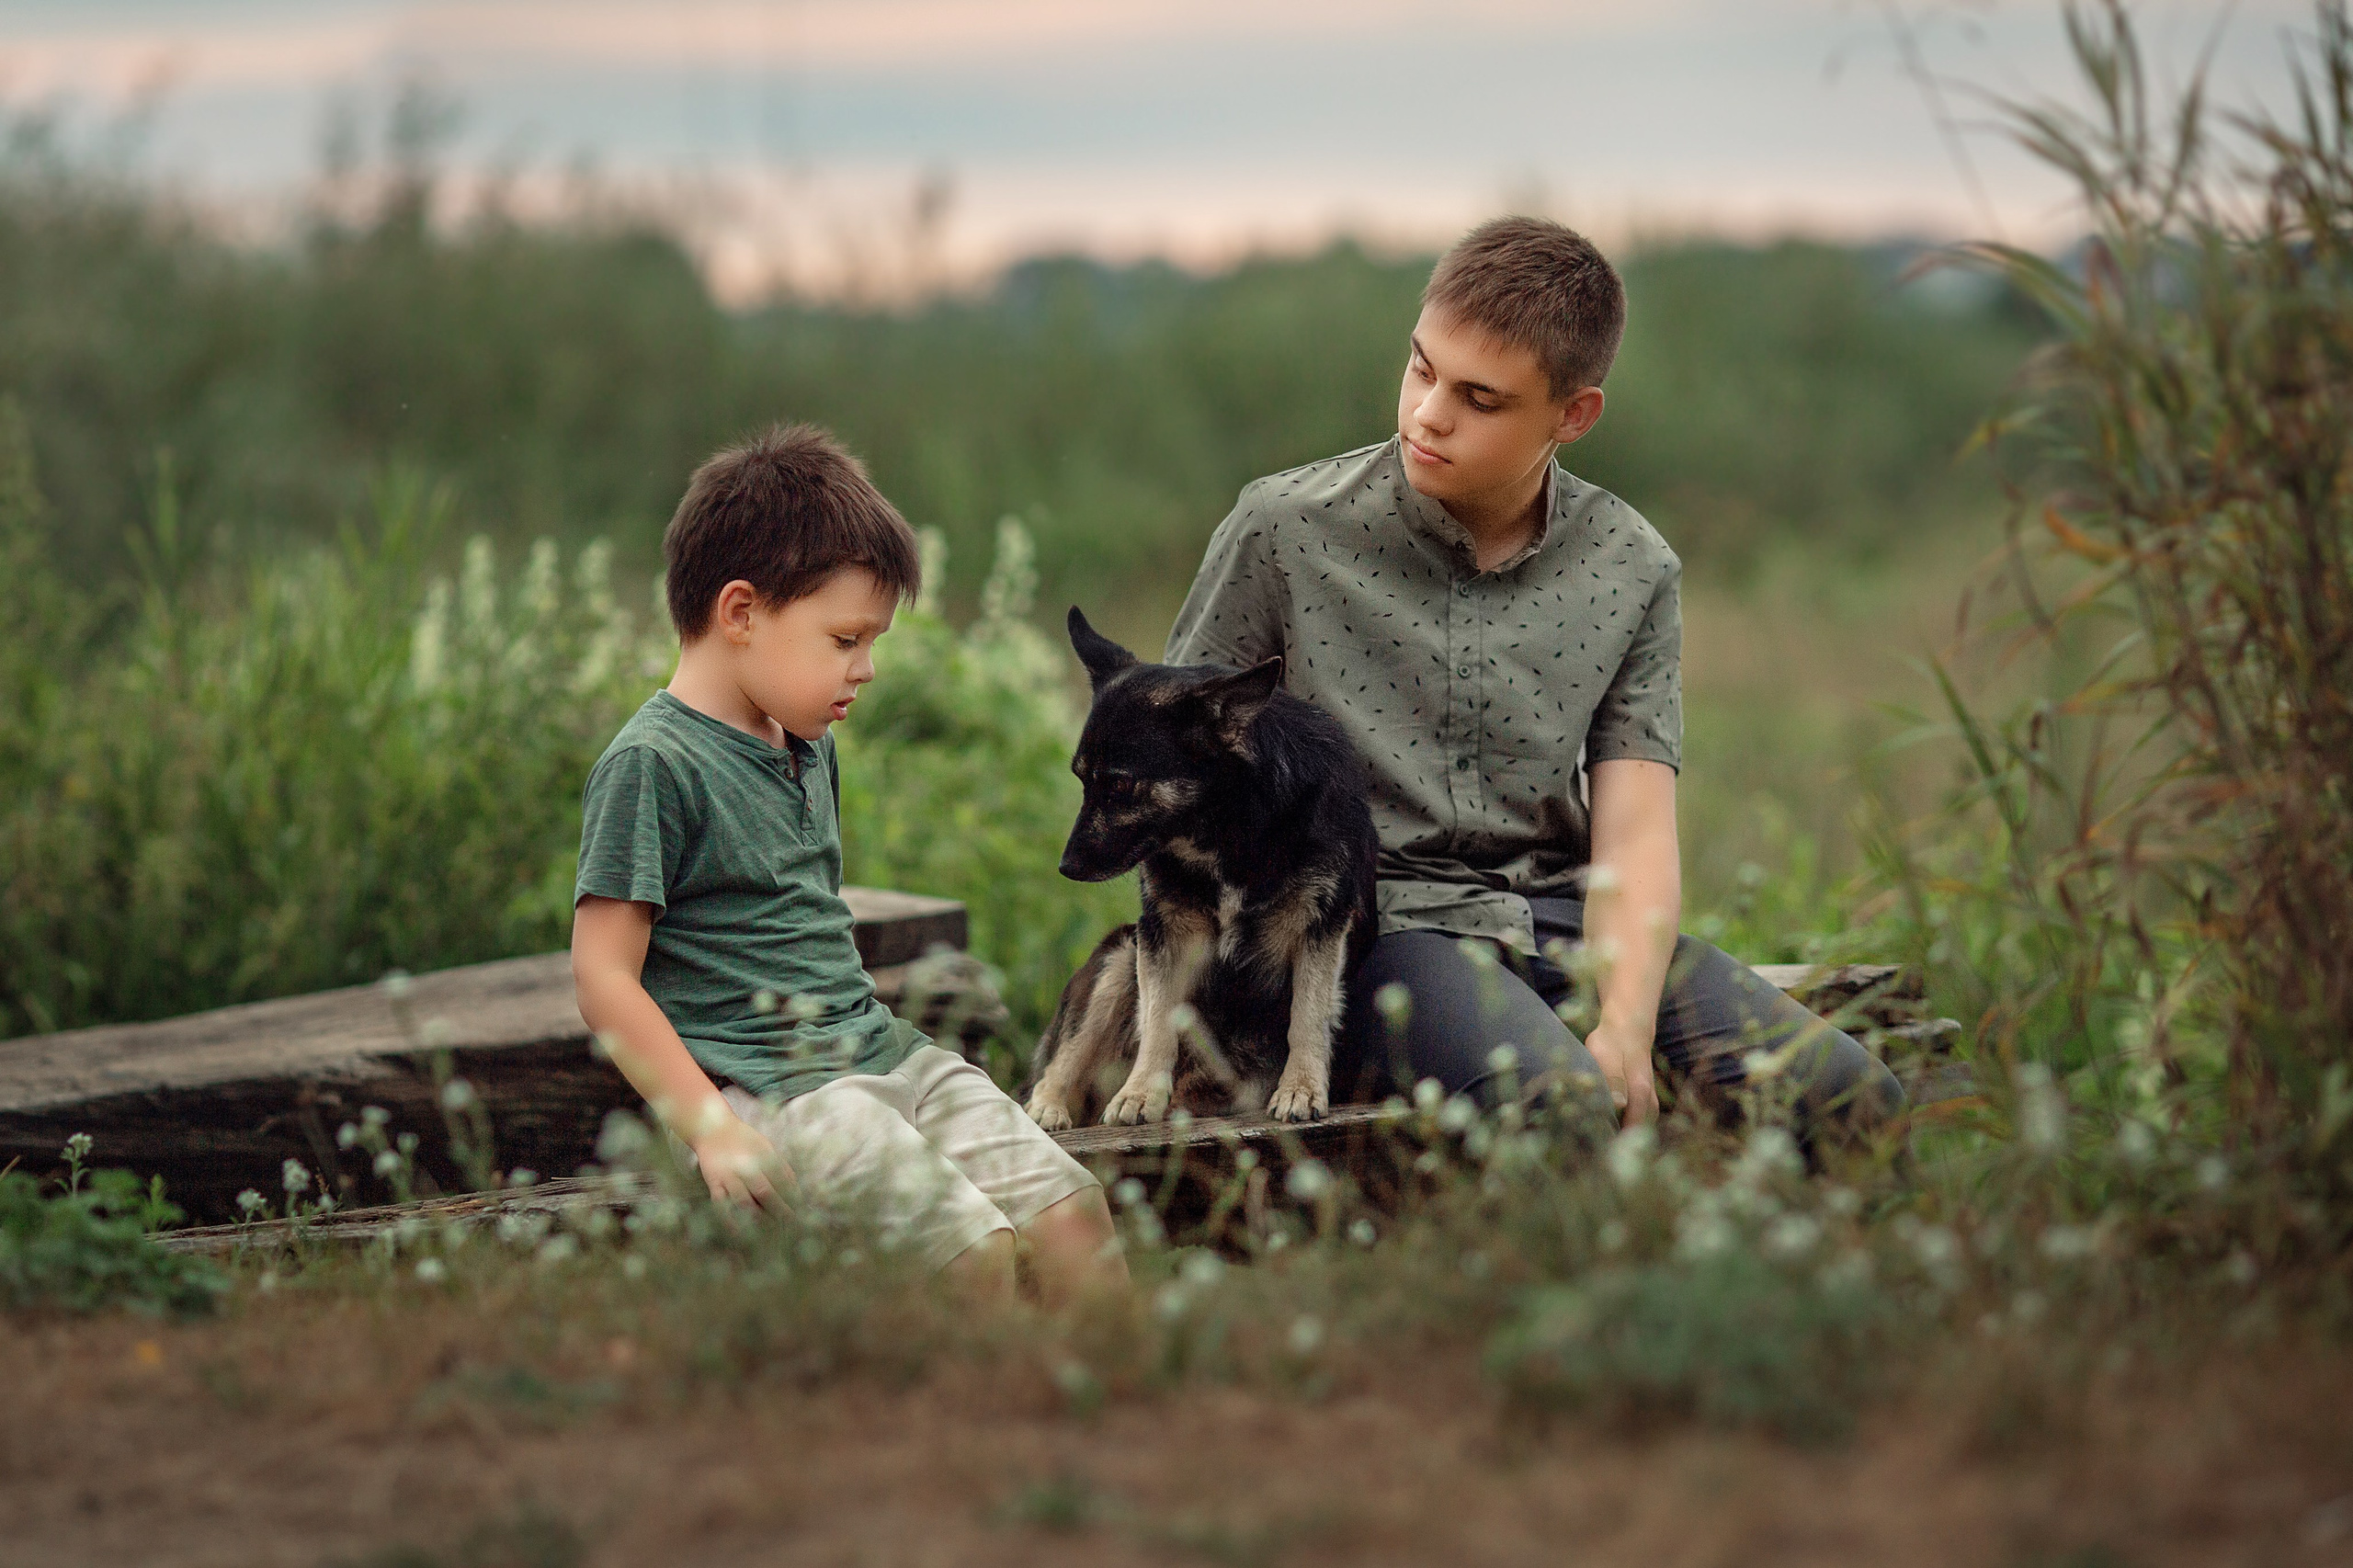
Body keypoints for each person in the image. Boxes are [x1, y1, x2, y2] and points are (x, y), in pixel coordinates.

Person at [1164, 217, 1904, 1149]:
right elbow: (1174, 770)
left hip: (1558, 919)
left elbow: (1633, 828)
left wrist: (1626, 1024)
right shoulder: (1282, 530)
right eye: (1421, 368)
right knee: (1558, 1107)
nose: (1429, 411)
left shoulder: (1630, 566)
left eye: (1480, 398)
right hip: (1376, 927)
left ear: (1572, 414)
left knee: (1854, 1098)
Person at [571, 425, 1128, 1307]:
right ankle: (987, 1432)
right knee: (969, 1254)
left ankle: (1125, 1412)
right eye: (844, 640)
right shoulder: (653, 765)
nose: (865, 670)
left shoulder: (804, 739)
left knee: (1071, 1214)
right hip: (773, 1090)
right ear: (741, 613)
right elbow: (604, 977)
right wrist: (709, 1128)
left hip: (879, 1051)